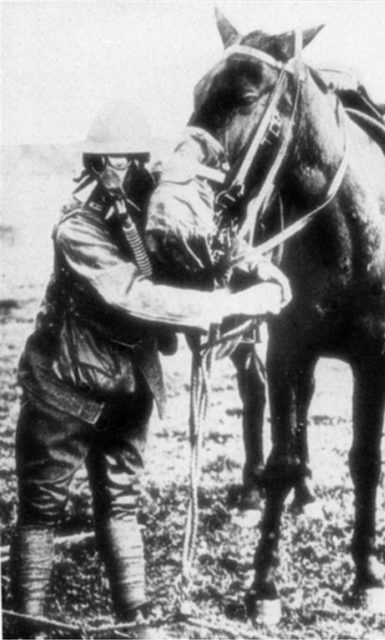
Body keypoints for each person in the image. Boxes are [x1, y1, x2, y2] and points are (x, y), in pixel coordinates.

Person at [8, 101, 291, 639]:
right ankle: (29, 622)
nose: (124, 171)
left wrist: (259, 270)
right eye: (111, 161)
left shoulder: (153, 214)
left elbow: (208, 241)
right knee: (42, 507)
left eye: (132, 159)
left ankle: (133, 616)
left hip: (128, 386)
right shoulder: (77, 229)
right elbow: (136, 295)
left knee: (121, 500)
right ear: (93, 164)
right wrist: (233, 306)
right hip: (63, 386)